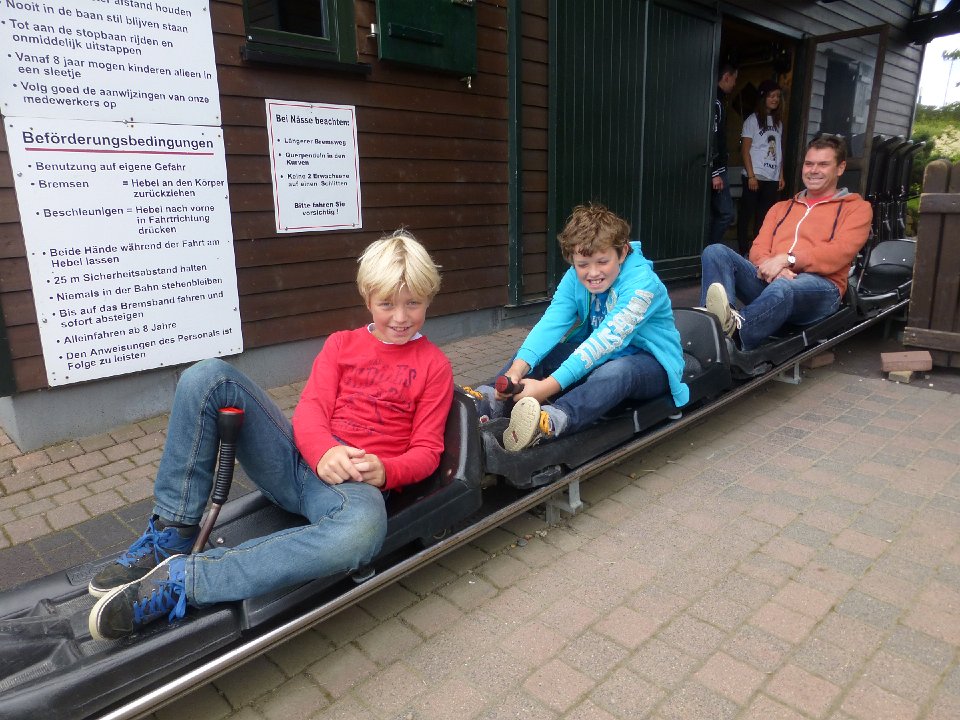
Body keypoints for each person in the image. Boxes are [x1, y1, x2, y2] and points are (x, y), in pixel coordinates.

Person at [87, 231, 453, 641]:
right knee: (207, 376)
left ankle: (186, 579)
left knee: (362, 533)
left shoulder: (434, 366)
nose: (400, 317)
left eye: (412, 303)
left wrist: (385, 471)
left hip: (352, 491)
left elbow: (427, 452)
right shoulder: (341, 346)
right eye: (387, 304)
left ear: (428, 299)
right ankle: (173, 532)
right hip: (294, 461)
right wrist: (323, 452)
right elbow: (310, 412)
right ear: (368, 298)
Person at [465, 203, 689, 452]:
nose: (593, 273)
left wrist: (545, 388)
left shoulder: (643, 285)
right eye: (583, 264)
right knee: (542, 354)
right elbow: (550, 324)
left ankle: (552, 421)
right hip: (602, 357)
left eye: (602, 262)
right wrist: (516, 371)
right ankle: (488, 402)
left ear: (622, 252)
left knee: (616, 371)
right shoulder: (574, 277)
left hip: (650, 364)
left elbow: (603, 344)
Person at [701, 135, 872, 351]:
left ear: (840, 168)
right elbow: (758, 249)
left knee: (785, 286)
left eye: (823, 164)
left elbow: (839, 253)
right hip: (772, 280)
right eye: (809, 164)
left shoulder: (857, 209)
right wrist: (774, 268)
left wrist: (788, 260)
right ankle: (714, 324)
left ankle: (734, 334)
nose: (813, 170)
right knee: (715, 252)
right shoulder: (780, 208)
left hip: (821, 289)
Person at [737, 79, 785, 256]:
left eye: (777, 96)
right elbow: (745, 150)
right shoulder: (752, 120)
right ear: (763, 97)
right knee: (746, 215)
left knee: (764, 217)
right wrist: (751, 176)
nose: (775, 99)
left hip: (772, 177)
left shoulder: (778, 123)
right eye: (771, 96)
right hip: (755, 175)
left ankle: (757, 253)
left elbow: (778, 150)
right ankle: (743, 251)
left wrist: (781, 175)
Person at [707, 60, 739, 247]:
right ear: (726, 77)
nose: (735, 84)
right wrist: (716, 172)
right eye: (734, 79)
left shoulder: (715, 99)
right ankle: (709, 250)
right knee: (726, 213)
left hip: (715, 167)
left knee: (715, 212)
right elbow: (713, 137)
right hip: (716, 168)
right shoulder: (716, 102)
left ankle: (707, 249)